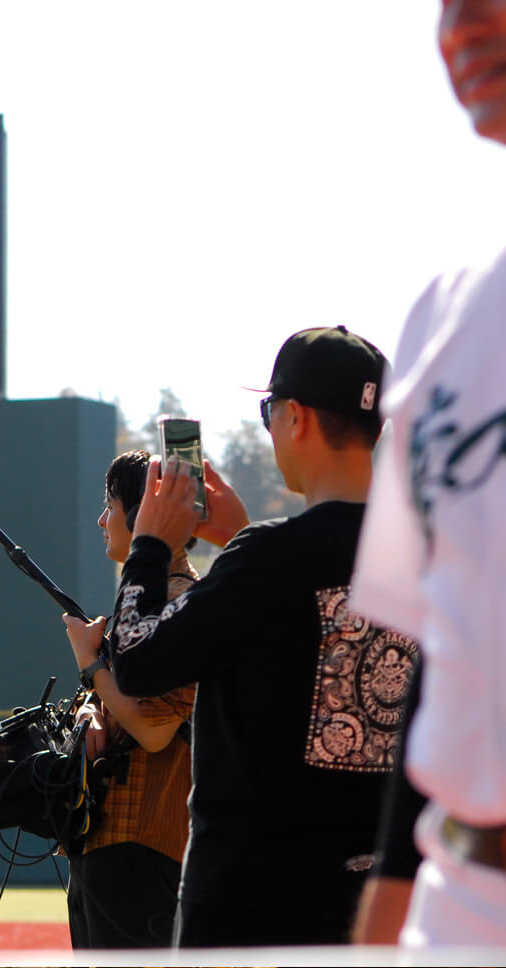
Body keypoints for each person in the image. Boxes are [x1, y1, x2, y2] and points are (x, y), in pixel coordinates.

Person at [97, 326, 420, 948]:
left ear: (294, 417)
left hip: (252, 908)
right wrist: (243, 540)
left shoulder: (269, 560)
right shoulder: (424, 556)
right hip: (378, 906)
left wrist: (150, 545)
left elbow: (135, 661)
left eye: (269, 410)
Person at [348, 2, 506, 945]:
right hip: (464, 900)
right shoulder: (441, 315)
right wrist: (386, 917)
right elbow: (435, 654)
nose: (464, 17)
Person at [60, 450, 196, 949]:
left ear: (142, 513)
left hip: (143, 849)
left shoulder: (180, 596)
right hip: (109, 841)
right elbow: (125, 707)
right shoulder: (144, 597)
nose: (101, 519)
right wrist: (94, 707)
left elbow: (154, 730)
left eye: (109, 504)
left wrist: (91, 665)